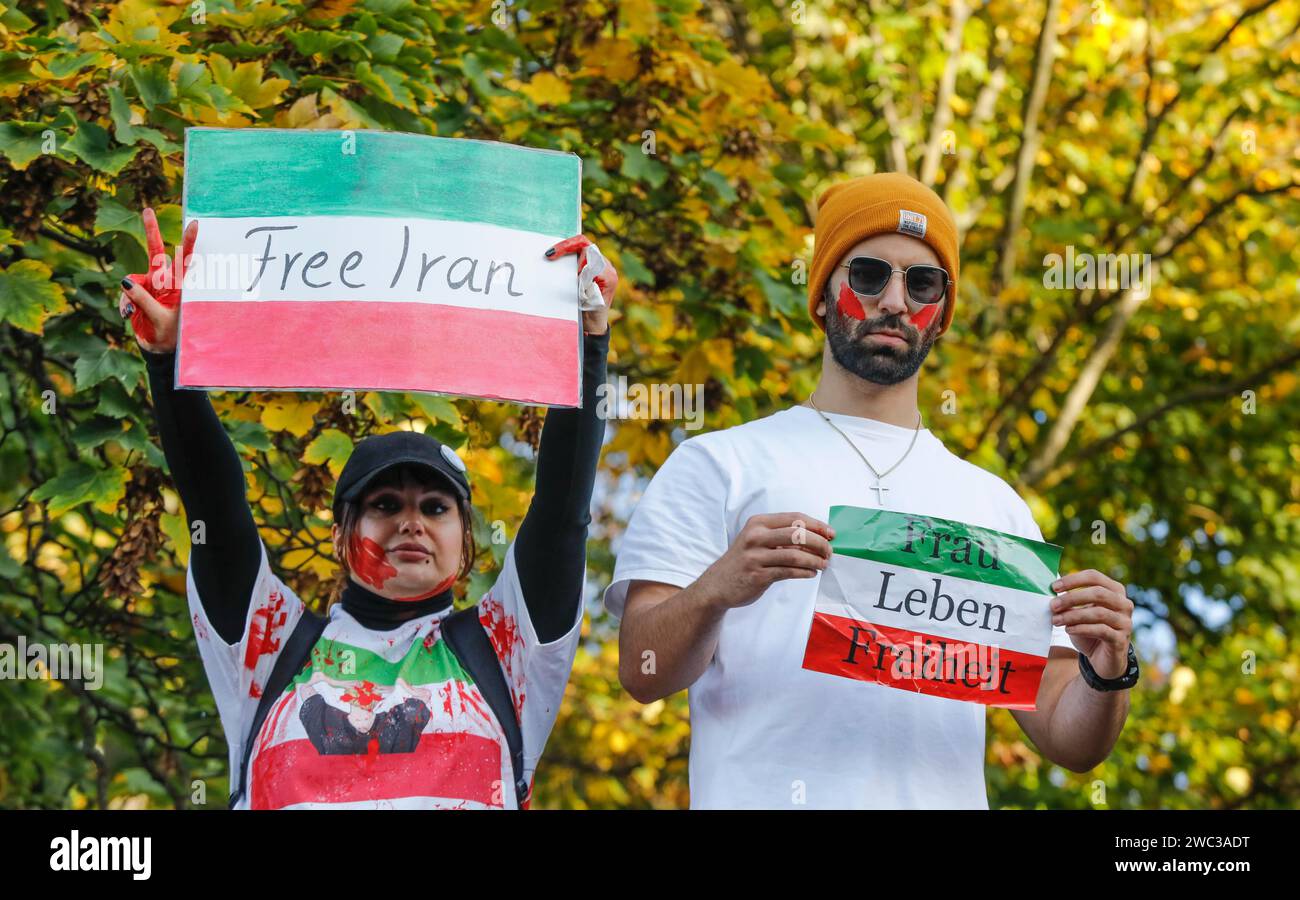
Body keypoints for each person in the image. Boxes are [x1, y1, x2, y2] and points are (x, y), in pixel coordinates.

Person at [607, 173, 1136, 809]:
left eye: (922, 283)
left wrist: (1109, 668)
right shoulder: (720, 463)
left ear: (939, 316)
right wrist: (721, 587)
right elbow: (642, 669)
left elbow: (1067, 739)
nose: (894, 300)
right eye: (867, 274)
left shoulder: (996, 506)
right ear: (825, 296)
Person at [121, 206, 617, 809]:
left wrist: (588, 344)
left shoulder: (507, 650)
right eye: (384, 504)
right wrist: (169, 359)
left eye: (436, 508)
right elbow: (214, 508)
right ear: (339, 535)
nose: (411, 520)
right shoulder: (271, 648)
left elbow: (562, 513)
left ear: (466, 544)